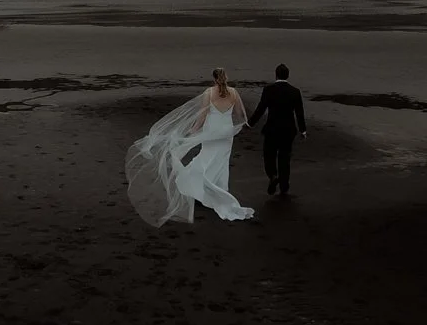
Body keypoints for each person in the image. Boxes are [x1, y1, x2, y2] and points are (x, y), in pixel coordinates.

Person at [124, 68, 256, 227]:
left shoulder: (209, 93)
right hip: (226, 132)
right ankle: (219, 190)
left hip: (211, 131)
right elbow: (241, 114)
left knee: (206, 157)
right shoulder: (234, 93)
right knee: (221, 161)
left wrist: (193, 130)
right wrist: (240, 125)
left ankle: (202, 190)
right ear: (225, 78)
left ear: (214, 79)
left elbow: (202, 115)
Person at [247, 63, 306, 196]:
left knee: (269, 155)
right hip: (288, 130)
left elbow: (261, 109)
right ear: (287, 75)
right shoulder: (295, 91)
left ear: (276, 75)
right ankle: (284, 186)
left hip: (272, 128)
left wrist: (250, 123)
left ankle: (273, 175)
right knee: (285, 158)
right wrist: (303, 130)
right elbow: (299, 112)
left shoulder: (269, 90)